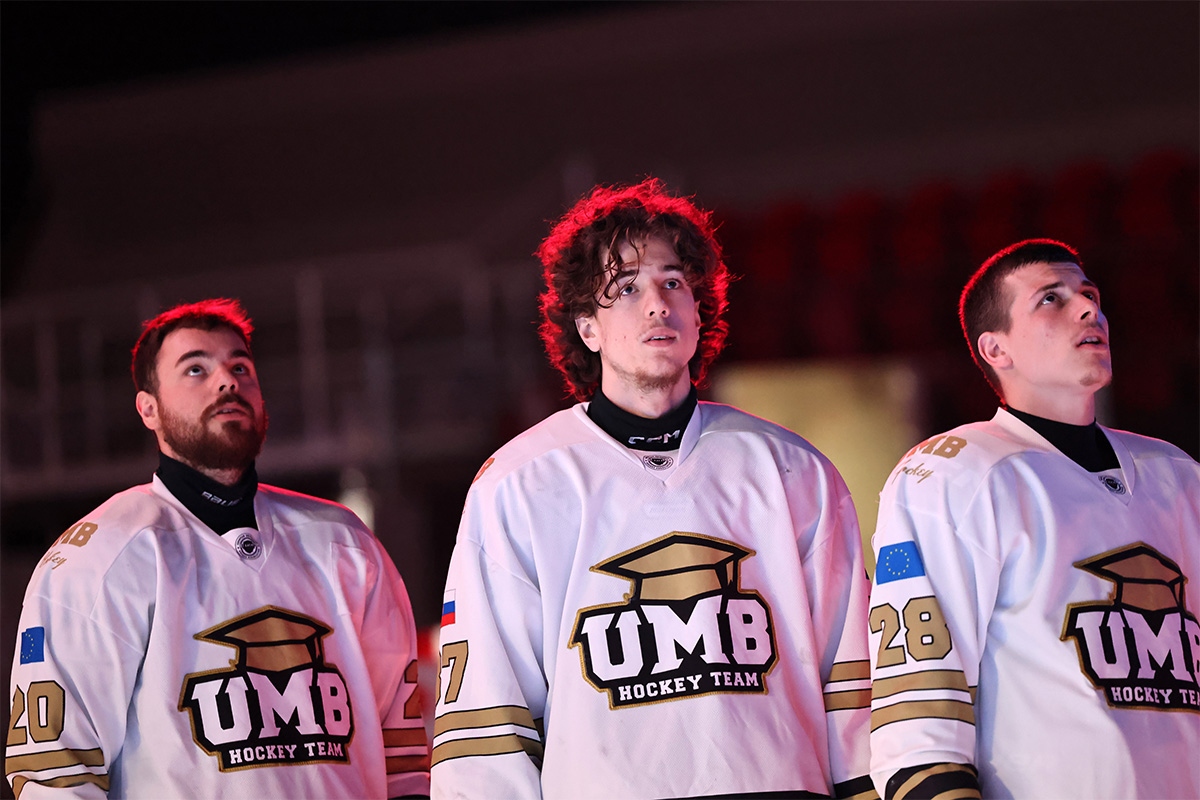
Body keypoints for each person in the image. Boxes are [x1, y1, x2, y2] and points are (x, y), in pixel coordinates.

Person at [430, 179, 877, 799]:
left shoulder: (792, 469)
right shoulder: (518, 483)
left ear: (699, 310)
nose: (657, 305)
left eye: (672, 283)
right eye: (625, 289)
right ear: (587, 328)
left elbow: (852, 680)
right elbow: (488, 716)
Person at [6, 299, 430, 799]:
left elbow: (404, 752)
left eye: (240, 367)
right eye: (196, 369)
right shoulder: (101, 555)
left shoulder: (344, 541)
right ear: (148, 408)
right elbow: (56, 775)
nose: (227, 381)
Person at [868, 240, 1200, 799]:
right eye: (1052, 298)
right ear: (996, 348)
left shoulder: (1178, 475)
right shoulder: (955, 471)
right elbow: (919, 705)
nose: (1089, 309)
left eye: (1089, 295)